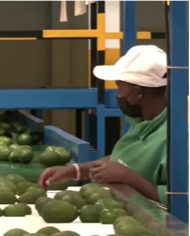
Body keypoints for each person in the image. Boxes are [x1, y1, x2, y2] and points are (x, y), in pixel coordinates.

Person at [40, 45, 188, 205]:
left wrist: (128, 177)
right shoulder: (145, 123)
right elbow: (130, 157)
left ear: (138, 93)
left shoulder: (180, 135)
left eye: (120, 89)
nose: (118, 96)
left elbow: (182, 200)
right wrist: (77, 170)